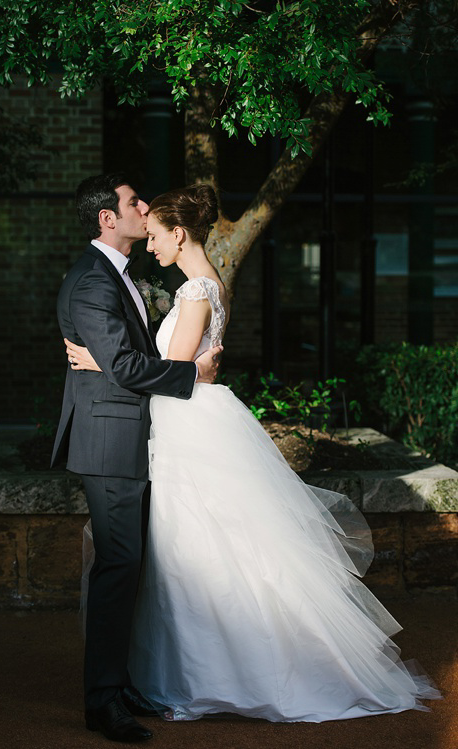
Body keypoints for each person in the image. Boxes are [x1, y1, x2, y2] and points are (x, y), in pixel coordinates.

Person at [65, 184, 440, 724]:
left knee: (200, 551)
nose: (150, 245)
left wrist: (102, 363)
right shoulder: (205, 285)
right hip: (189, 423)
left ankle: (220, 673)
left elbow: (168, 372)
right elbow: (176, 366)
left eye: (154, 236)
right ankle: (185, 671)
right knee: (201, 551)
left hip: (187, 428)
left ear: (179, 232)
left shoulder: (195, 292)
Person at [51, 173, 222, 743]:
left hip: (130, 435)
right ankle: (102, 702)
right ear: (107, 218)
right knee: (118, 566)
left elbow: (120, 359)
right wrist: (190, 373)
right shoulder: (93, 282)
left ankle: (117, 684)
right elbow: (126, 367)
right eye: (132, 203)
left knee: (128, 568)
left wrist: (109, 363)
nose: (142, 208)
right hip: (110, 441)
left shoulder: (119, 276)